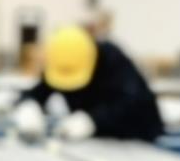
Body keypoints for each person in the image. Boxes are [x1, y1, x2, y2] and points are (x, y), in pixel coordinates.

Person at [12, 23, 163, 143]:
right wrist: (28, 106)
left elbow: (133, 102)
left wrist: (92, 120)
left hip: (135, 140)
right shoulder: (60, 62)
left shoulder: (113, 61)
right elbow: (38, 92)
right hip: (96, 144)